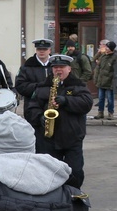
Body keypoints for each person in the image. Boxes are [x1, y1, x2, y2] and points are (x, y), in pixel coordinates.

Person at [27, 54, 92, 188]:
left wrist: (66, 101)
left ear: (69, 69)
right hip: (47, 139)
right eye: (55, 67)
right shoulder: (42, 87)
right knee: (47, 173)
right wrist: (40, 118)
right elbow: (31, 108)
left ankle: (73, 196)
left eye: (62, 67)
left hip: (72, 137)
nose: (58, 70)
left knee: (75, 171)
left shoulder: (78, 85)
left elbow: (86, 103)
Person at [15, 38, 53, 148]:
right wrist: (38, 88)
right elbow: (20, 85)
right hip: (33, 107)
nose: (42, 51)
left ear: (49, 50)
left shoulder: (56, 65)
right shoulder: (27, 66)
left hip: (53, 106)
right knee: (36, 140)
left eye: (44, 49)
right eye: (39, 49)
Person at [91, 40, 115, 120]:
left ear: (111, 48)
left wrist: (114, 82)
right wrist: (98, 52)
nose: (106, 48)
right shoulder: (103, 56)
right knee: (101, 98)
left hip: (109, 81)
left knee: (110, 99)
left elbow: (115, 71)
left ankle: (110, 113)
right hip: (101, 81)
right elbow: (95, 61)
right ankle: (100, 112)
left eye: (107, 47)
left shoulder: (115, 57)